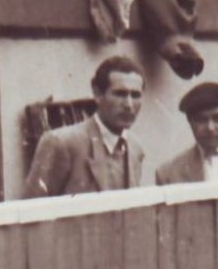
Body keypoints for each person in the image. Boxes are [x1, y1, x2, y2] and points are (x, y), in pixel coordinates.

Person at [23, 55, 148, 198]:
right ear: (98, 94)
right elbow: (32, 212)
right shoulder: (61, 143)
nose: (129, 105)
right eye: (120, 94)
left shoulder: (135, 148)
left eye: (136, 95)